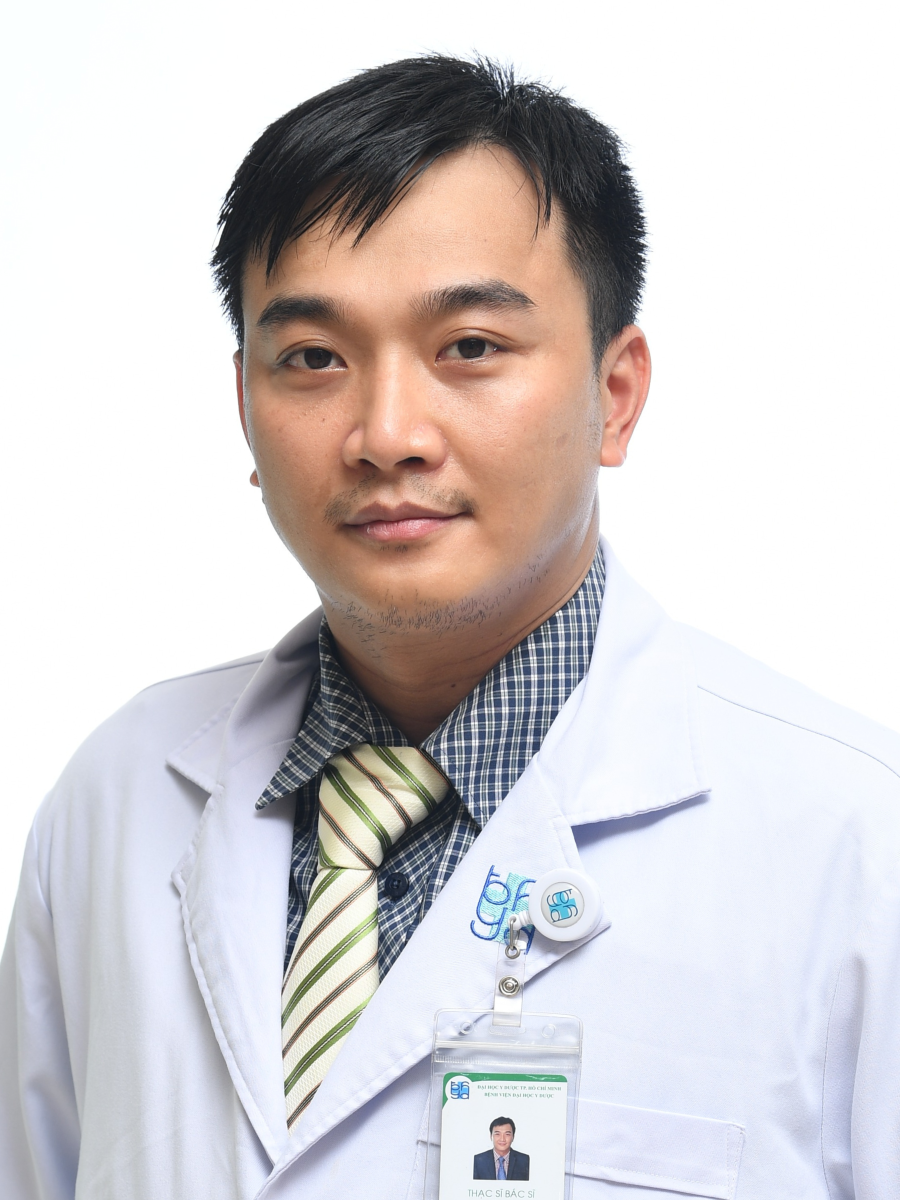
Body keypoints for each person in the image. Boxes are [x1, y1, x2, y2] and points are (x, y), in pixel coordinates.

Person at [1, 52, 899, 1200]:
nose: (387, 433)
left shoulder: (856, 851)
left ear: (615, 395)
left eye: (469, 347)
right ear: (244, 405)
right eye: (313, 358)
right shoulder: (115, 802)